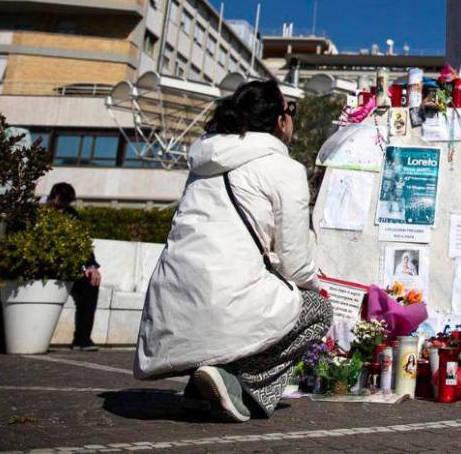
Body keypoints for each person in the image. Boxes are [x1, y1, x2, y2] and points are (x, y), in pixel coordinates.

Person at [134, 79, 331, 421]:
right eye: (290, 111)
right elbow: (296, 266)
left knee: (260, 295)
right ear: (279, 121)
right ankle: (235, 381)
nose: (291, 119)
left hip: (171, 304)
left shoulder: (203, 163)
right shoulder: (285, 169)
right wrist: (318, 282)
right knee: (318, 310)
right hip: (225, 304)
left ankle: (205, 384)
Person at [46, 182, 101, 351]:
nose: (63, 208)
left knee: (90, 285)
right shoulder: (39, 212)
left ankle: (82, 339)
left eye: (66, 204)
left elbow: (82, 242)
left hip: (67, 269)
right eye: (61, 203)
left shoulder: (71, 214)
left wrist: (92, 266)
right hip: (44, 268)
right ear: (53, 197)